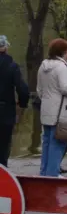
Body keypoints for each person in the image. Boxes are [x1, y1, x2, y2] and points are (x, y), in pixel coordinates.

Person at [37, 38, 67, 177]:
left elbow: (39, 90)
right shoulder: (61, 67)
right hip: (60, 112)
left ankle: (44, 172)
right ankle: (52, 174)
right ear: (65, 52)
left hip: (46, 110)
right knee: (58, 144)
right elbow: (65, 88)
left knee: (46, 143)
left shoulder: (43, 66)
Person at [0, 34, 30, 167]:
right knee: (4, 144)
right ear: (5, 48)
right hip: (5, 110)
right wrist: (22, 103)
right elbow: (22, 89)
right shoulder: (12, 66)